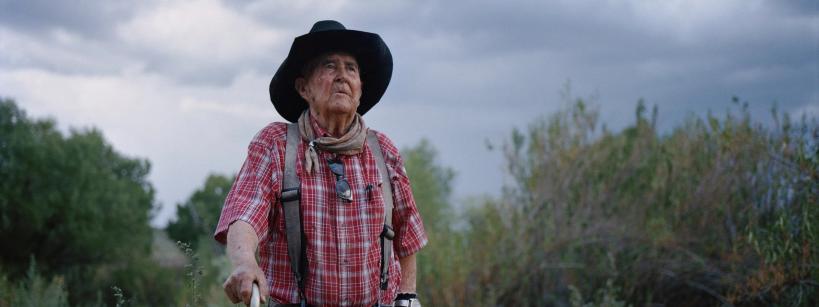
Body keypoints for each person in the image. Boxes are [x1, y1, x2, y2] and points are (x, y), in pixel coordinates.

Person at [214, 20, 428, 307]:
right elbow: (245, 213)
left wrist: (408, 295)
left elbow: (406, 233)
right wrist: (244, 262)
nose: (342, 76)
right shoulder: (276, 145)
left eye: (350, 68)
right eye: (329, 66)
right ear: (304, 88)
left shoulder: (383, 150)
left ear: (360, 88)